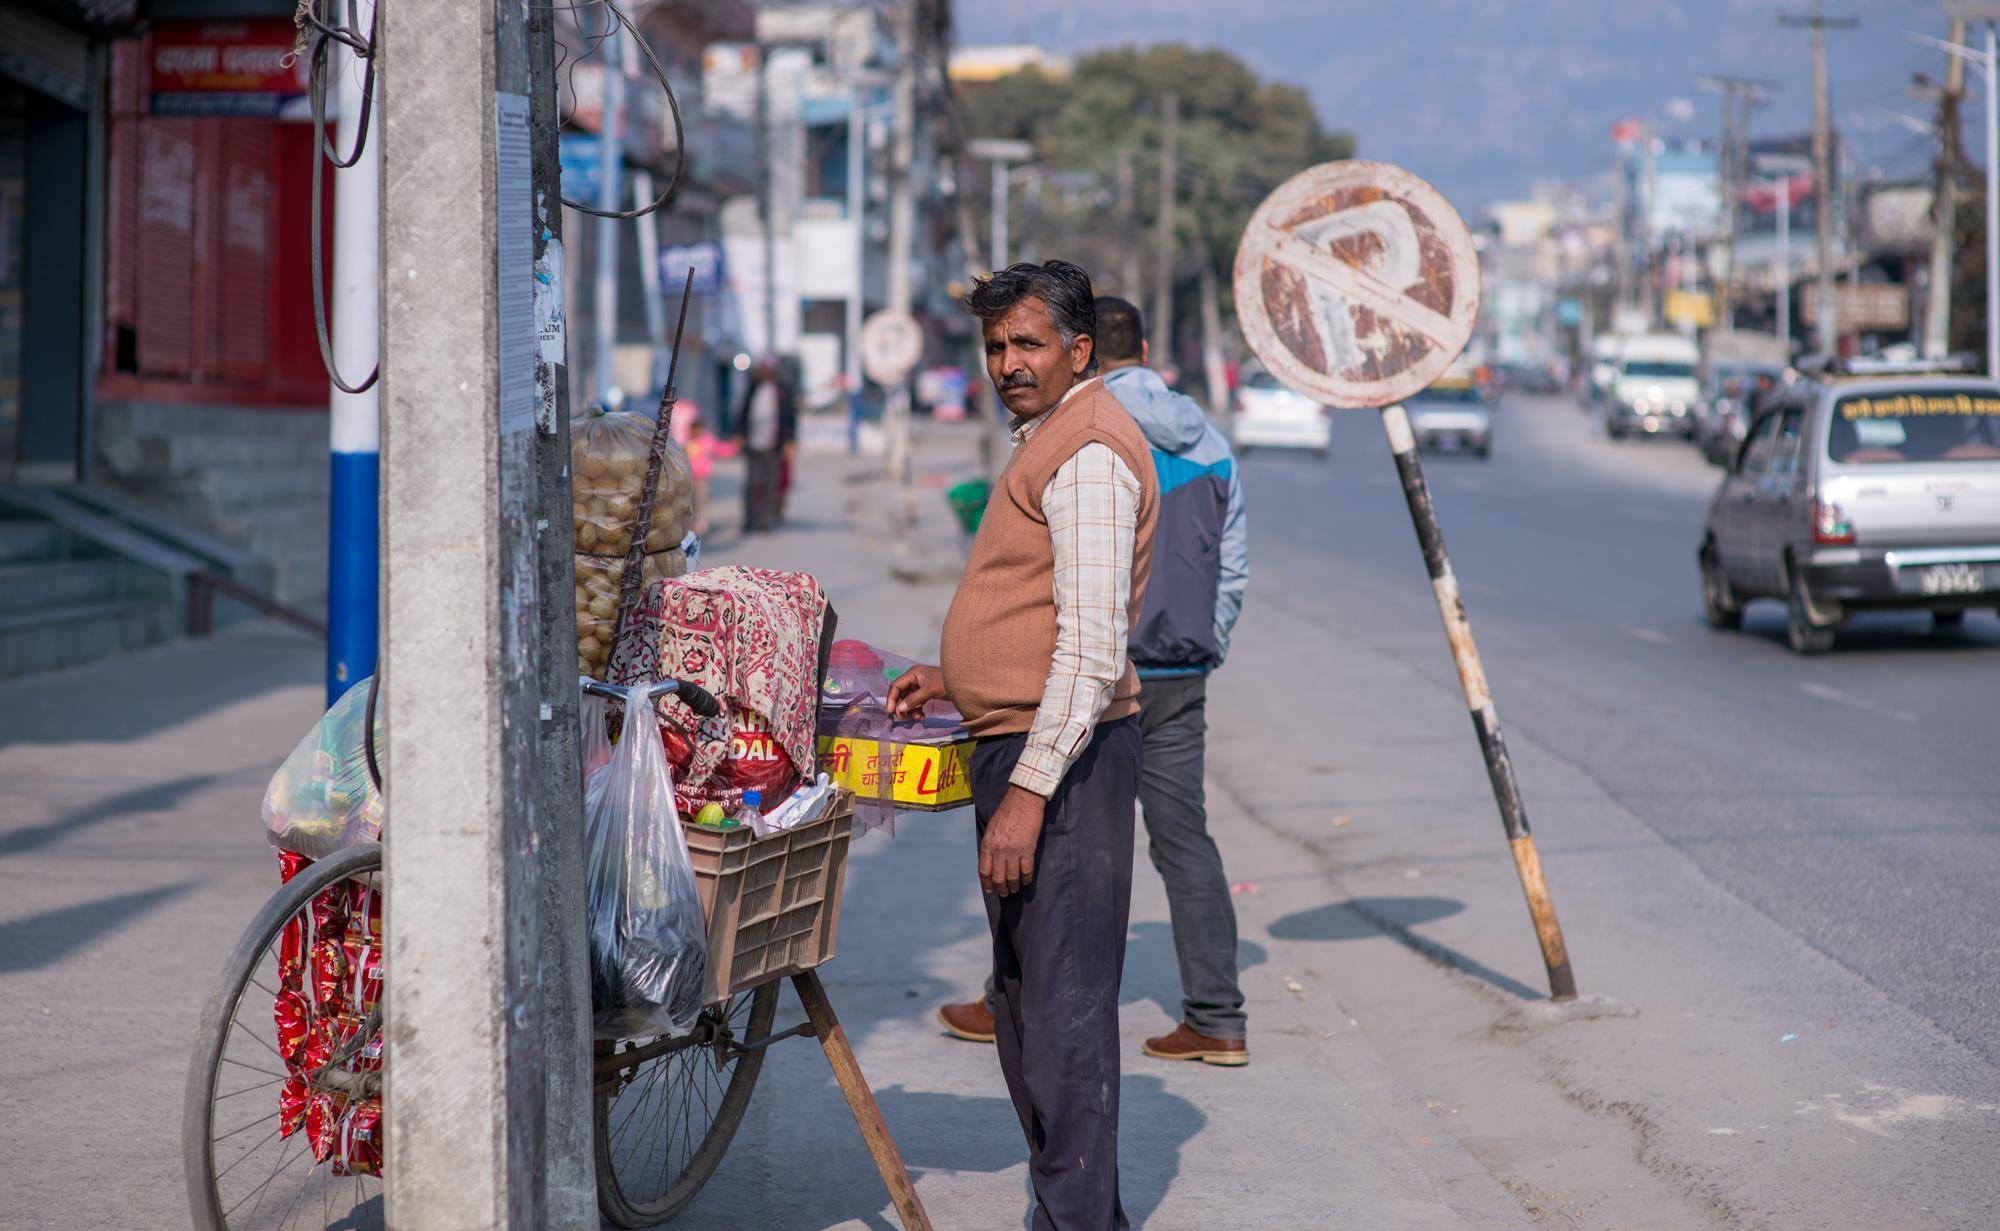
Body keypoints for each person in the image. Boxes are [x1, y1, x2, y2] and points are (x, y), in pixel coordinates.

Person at [888, 260, 1157, 1231]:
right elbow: (1037, 608)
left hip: (1068, 767)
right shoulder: (1046, 439)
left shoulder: (1085, 448)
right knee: (1022, 1006)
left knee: (1062, 1021)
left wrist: (1029, 793)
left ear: (1077, 351)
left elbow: (1088, 651)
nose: (1007, 361)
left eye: (1027, 343)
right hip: (1019, 742)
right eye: (996, 345)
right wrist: (951, 670)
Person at [936, 296, 1253, 1065]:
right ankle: (1217, 1016)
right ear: (1146, 345)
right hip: (1181, 663)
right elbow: (1234, 563)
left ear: (1081, 354)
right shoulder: (1210, 440)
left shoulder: (1082, 432)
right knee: (1183, 839)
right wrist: (1206, 642)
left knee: (1042, 848)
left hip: (1093, 680)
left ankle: (1008, 1000)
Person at [735, 359, 796, 533]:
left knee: (771, 483)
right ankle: (750, 520)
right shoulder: (753, 388)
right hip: (754, 443)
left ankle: (766, 520)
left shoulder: (782, 390)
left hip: (774, 444)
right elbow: (743, 412)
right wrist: (739, 434)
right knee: (753, 482)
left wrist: (790, 441)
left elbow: (790, 417)